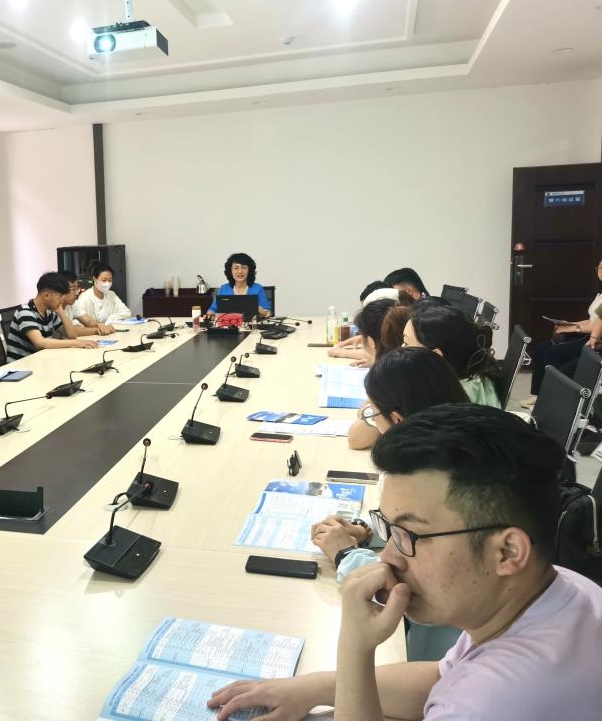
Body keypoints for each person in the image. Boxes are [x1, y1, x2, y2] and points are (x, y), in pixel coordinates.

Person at [209, 404, 602, 721]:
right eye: (390, 529)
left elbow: (463, 695)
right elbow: (442, 678)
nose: (388, 557)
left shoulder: (492, 702)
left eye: (410, 534)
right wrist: (312, 688)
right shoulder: (557, 587)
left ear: (508, 552)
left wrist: (355, 647)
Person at [313, 348, 468, 660]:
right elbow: (413, 542)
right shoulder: (459, 449)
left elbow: (403, 589)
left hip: (437, 652)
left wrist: (346, 555)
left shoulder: (426, 484)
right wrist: (368, 532)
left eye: (374, 415)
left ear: (397, 420)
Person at [525, 258, 602, 401]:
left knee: (552, 353)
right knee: (541, 347)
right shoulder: (599, 295)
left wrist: (573, 329)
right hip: (589, 335)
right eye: (600, 268)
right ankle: (538, 395)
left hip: (595, 341)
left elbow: (596, 325)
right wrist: (569, 325)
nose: (601, 271)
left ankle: (551, 397)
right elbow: (591, 320)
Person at [404, 301, 502, 407]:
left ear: (436, 355)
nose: (401, 348)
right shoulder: (471, 381)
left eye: (406, 343)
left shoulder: (449, 400)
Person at [346, 299, 411, 449]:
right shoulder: (408, 362)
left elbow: (356, 439)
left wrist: (369, 410)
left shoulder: (393, 373)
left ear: (370, 341)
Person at [6, 273, 98, 362]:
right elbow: (40, 343)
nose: (61, 301)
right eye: (59, 297)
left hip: (40, 360)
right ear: (46, 295)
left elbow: (71, 334)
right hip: (21, 366)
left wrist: (60, 311)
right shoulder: (25, 311)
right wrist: (76, 343)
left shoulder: (49, 313)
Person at [73, 262, 131, 327]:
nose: (107, 283)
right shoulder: (85, 297)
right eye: (104, 280)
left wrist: (111, 318)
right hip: (92, 332)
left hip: (111, 331)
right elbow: (77, 322)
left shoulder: (111, 295)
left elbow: (126, 312)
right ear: (95, 279)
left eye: (110, 280)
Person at [58, 270, 113, 337]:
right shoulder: (54, 307)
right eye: (73, 289)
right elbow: (68, 331)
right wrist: (97, 330)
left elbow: (89, 321)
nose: (77, 293)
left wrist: (101, 325)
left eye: (77, 288)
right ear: (61, 289)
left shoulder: (73, 304)